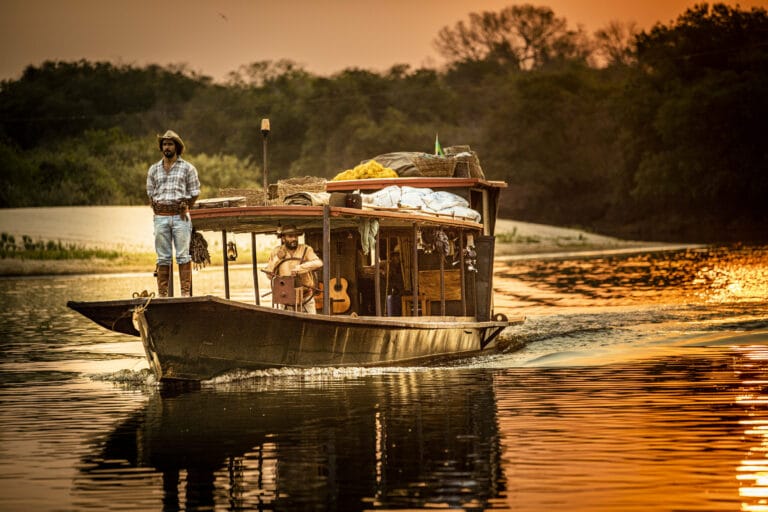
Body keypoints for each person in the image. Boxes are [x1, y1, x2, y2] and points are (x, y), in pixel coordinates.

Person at [146, 130, 201, 297]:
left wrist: (186, 207)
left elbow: (195, 191)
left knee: (183, 256)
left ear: (176, 147)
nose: (167, 147)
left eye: (170, 144)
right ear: (161, 147)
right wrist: (157, 208)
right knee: (163, 257)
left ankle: (185, 293)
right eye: (164, 144)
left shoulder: (188, 168)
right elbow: (150, 192)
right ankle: (162, 294)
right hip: (161, 217)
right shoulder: (154, 169)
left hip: (180, 216)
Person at [264, 225, 323, 313]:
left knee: (312, 321)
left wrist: (300, 268)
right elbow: (269, 274)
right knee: (287, 324)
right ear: (283, 239)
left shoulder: (306, 249)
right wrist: (277, 258)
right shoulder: (276, 251)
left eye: (295, 236)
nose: (294, 239)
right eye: (290, 236)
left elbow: (319, 263)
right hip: (285, 297)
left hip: (306, 296)